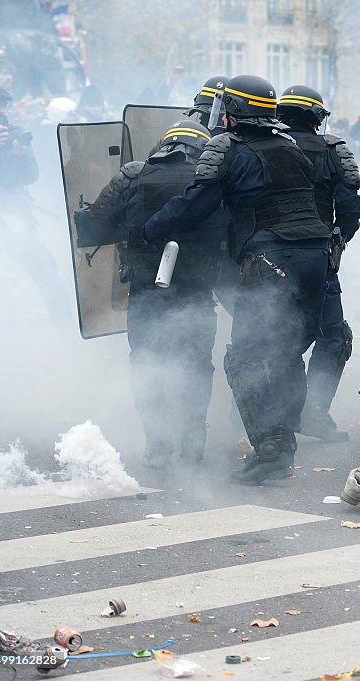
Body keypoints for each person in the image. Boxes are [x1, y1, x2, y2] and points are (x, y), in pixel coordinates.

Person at [142, 74, 331, 484]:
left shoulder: (228, 148)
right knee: (283, 355)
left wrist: (150, 228)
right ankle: (282, 443)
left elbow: (196, 205)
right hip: (315, 258)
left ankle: (273, 453)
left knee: (244, 360)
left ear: (233, 111)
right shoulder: (292, 146)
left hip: (271, 261)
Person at [75, 120, 227, 468]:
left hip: (146, 294)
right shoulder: (209, 182)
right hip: (197, 293)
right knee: (196, 366)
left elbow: (95, 224)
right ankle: (192, 444)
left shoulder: (132, 174)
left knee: (147, 364)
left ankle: (158, 446)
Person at [277, 84, 360, 442]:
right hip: (319, 261)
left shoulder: (259, 147)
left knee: (271, 336)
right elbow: (350, 209)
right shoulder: (330, 152)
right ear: (317, 118)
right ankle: (312, 412)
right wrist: (336, 240)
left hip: (270, 261)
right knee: (331, 335)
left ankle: (271, 414)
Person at [0, 82, 69, 338]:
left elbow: (31, 176)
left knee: (49, 279)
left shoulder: (11, 132)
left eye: (4, 105)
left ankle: (67, 339)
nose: (1, 110)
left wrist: (20, 154)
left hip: (17, 222)